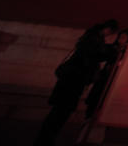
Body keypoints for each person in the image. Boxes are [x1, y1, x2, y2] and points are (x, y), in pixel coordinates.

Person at [34, 18, 119, 146]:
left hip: (70, 81)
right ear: (108, 29)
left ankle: (45, 139)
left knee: (58, 113)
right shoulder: (94, 39)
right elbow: (95, 54)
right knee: (60, 113)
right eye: (111, 32)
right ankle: (45, 140)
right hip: (73, 81)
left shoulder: (92, 37)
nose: (109, 34)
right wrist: (112, 50)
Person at [85, 28, 128, 119]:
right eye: (120, 36)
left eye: (124, 37)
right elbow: (100, 57)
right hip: (103, 80)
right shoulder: (112, 49)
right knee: (94, 103)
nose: (120, 39)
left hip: (115, 83)